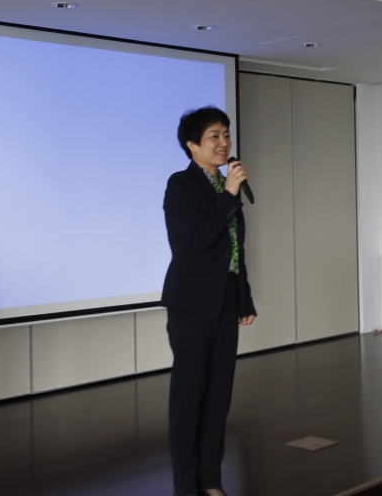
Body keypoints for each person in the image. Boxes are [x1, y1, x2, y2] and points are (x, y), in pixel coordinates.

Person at [161, 106, 257, 496]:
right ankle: (185, 485)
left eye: (226, 134)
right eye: (214, 136)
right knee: (189, 397)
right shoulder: (181, 185)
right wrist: (230, 193)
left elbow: (234, 250)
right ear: (191, 144)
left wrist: (244, 298)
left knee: (219, 396)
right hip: (191, 304)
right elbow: (199, 240)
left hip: (225, 301)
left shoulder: (224, 185)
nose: (224, 143)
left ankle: (211, 480)